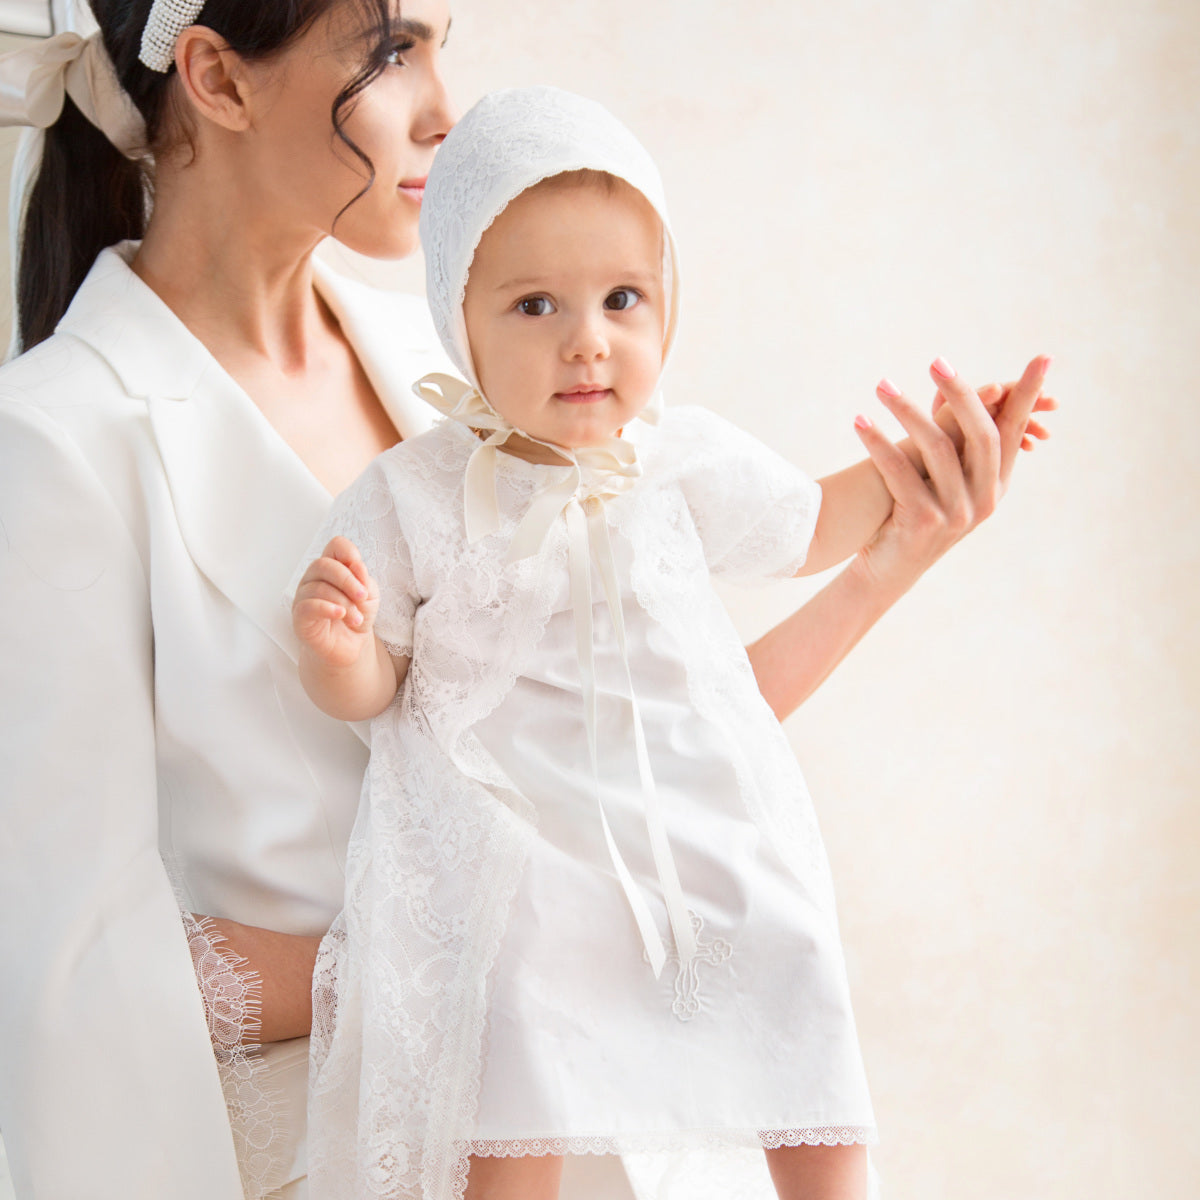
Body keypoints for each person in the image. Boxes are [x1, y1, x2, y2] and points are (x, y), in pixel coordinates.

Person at [0, 2, 1050, 1198]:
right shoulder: (55, 444)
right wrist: (439, 954)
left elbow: (654, 740)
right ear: (216, 79)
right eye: (392, 52)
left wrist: (891, 554)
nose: (447, 109)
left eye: (443, 42)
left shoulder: (495, 349)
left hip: (626, 1133)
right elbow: (65, 973)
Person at [291, 87, 1052, 1200]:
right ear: (460, 319)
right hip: (530, 837)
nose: (587, 340)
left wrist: (946, 445)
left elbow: (820, 521)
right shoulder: (421, 493)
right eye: (536, 306)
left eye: (622, 298)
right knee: (517, 999)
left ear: (668, 310)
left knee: (786, 940)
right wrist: (338, 647)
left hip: (689, 819)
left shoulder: (680, 461)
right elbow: (379, 691)